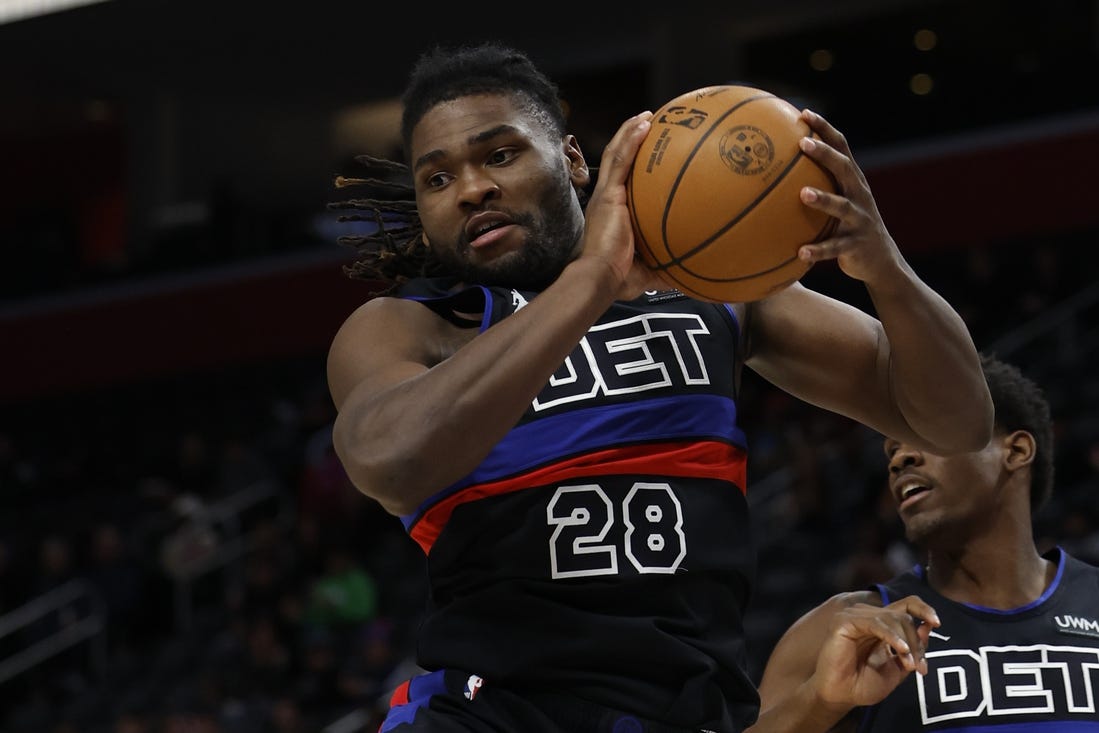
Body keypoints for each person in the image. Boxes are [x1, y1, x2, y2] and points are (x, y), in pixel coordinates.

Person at [325, 41, 993, 733]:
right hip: (487, 713)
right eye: (436, 179)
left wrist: (884, 266)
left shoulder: (711, 295)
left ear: (574, 160)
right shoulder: (410, 330)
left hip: (684, 710)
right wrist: (593, 281)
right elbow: (393, 463)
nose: (470, 188)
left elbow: (955, 420)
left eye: (499, 155)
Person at [754, 353, 1099, 732]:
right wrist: (820, 702)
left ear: (1015, 451)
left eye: (928, 432)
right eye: (891, 449)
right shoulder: (841, 629)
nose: (900, 457)